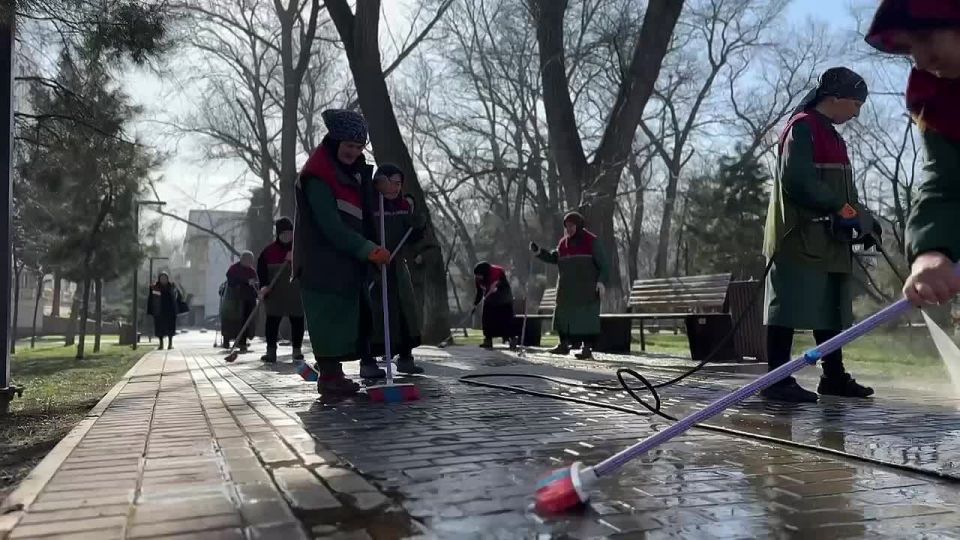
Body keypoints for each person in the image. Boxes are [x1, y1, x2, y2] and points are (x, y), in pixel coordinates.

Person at [760, 67, 879, 403]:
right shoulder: (802, 128)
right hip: (797, 238)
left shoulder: (833, 135)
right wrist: (842, 209)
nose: (856, 113)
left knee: (831, 309)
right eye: (855, 104)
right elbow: (798, 181)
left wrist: (864, 220)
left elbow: (846, 192)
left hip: (828, 241)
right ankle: (776, 380)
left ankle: (834, 377)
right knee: (787, 308)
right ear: (836, 98)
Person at [864, 1, 960, 306]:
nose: (919, 61)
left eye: (926, 38)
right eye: (909, 49)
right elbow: (944, 184)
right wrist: (931, 250)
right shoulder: (942, 103)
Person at [294, 109, 390, 400]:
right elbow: (331, 227)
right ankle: (330, 378)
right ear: (335, 141)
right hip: (322, 262)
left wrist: (378, 185)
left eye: (359, 147)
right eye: (348, 145)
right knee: (329, 319)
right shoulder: (318, 176)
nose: (353, 152)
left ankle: (334, 376)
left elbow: (361, 189)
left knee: (346, 317)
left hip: (344, 263)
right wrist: (368, 249)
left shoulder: (349, 170)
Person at [361, 163, 427, 377]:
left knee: (404, 310)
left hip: (396, 265)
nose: (395, 188)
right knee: (373, 313)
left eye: (398, 184)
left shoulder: (402, 205)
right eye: (390, 183)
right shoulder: (368, 205)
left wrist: (418, 223)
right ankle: (368, 361)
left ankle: (405, 357)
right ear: (378, 182)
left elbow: (412, 234)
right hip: (372, 265)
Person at [530, 211, 609, 360]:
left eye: (572, 226)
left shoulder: (591, 241)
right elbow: (555, 258)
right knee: (562, 315)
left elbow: (604, 265)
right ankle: (563, 345)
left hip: (586, 289)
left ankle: (587, 348)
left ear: (579, 225)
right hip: (566, 290)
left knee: (586, 319)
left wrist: (601, 282)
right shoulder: (563, 243)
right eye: (567, 226)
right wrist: (539, 252)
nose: (569, 229)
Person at [257, 217, 305, 363]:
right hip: (275, 292)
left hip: (295, 292)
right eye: (283, 233)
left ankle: (297, 351)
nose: (287, 236)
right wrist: (263, 286)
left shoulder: (299, 249)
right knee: (272, 321)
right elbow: (262, 270)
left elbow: (307, 268)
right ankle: (271, 352)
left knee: (297, 320)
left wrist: (295, 259)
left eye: (290, 233)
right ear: (278, 234)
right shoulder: (268, 252)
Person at [473, 262, 516, 350]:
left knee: (505, 319)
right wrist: (475, 304)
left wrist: (496, 288)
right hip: (490, 300)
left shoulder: (497, 273)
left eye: (479, 275)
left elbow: (502, 288)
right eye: (477, 275)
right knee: (486, 317)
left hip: (504, 299)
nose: (478, 277)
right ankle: (488, 339)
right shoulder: (478, 278)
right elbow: (480, 292)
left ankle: (511, 338)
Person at [224, 251, 259, 354]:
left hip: (249, 300)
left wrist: (255, 286)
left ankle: (243, 342)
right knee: (232, 320)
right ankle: (228, 339)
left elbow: (256, 283)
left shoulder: (252, 271)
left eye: (250, 261)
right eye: (247, 260)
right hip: (235, 300)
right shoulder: (233, 269)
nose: (249, 263)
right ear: (242, 260)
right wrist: (245, 281)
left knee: (246, 321)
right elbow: (231, 281)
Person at [146, 272, 183, 350]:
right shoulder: (155, 287)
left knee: (171, 328)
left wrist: (177, 310)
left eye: (165, 278)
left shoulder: (172, 287)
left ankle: (170, 344)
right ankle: (161, 344)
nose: (163, 280)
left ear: (167, 279)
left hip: (170, 311)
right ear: (159, 279)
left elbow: (178, 297)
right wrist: (150, 311)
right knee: (159, 328)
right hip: (159, 311)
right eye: (162, 278)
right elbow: (151, 299)